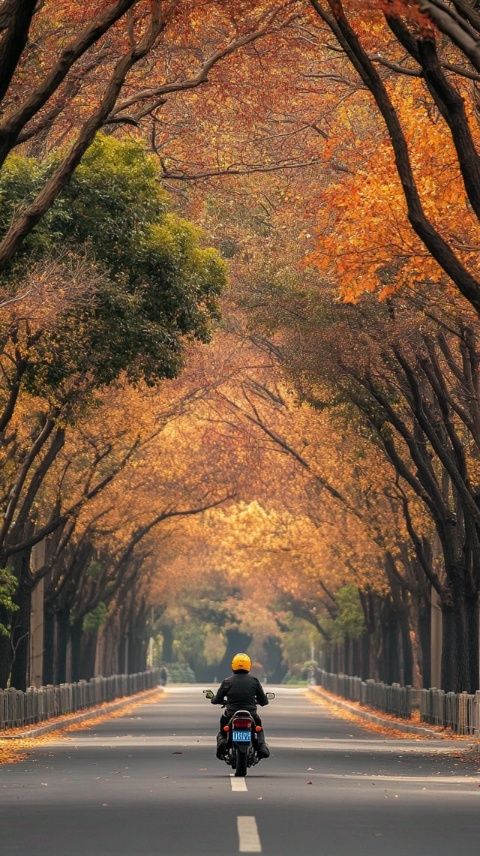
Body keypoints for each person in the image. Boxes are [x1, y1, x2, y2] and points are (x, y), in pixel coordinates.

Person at [211, 652, 270, 760]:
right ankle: (262, 746)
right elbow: (263, 700)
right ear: (249, 665)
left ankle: (222, 742)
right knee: (258, 727)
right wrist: (262, 701)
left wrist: (214, 700)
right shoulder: (254, 681)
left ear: (233, 665)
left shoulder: (227, 681)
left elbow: (217, 699)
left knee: (223, 728)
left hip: (231, 713)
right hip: (250, 713)